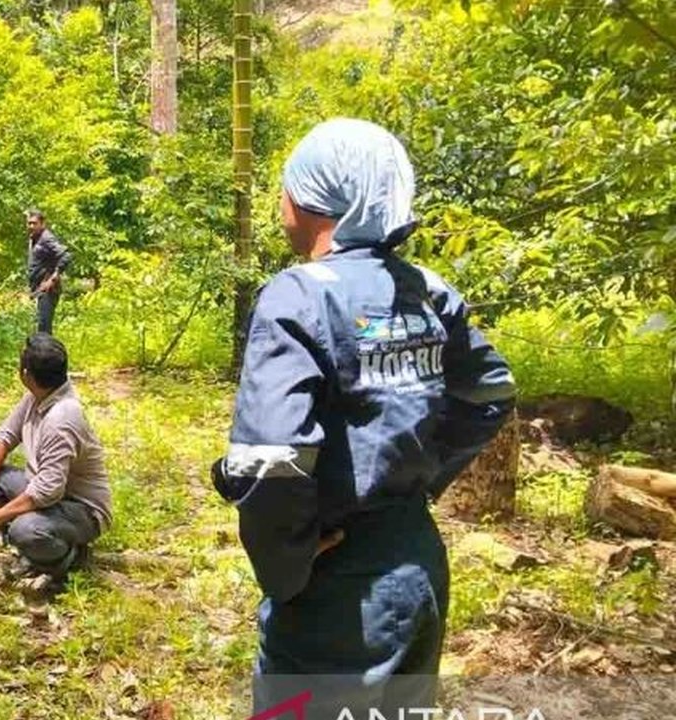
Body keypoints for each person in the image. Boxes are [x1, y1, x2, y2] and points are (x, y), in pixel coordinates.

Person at [210, 118, 515, 717]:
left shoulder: (298, 295)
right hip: (416, 564)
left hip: (335, 580)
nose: (281, 200)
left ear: (316, 199)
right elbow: (489, 393)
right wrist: (419, 477)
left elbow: (270, 458)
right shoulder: (427, 290)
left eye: (287, 186)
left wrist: (286, 568)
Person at [0, 333, 111, 596]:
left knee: (24, 530)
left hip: (81, 508)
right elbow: (5, 436)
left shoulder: (62, 418)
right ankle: (33, 545)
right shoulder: (38, 396)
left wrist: (0, 514)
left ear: (26, 374)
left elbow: (49, 491)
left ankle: (65, 557)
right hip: (43, 490)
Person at [25, 209, 71, 334]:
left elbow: (66, 256)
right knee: (42, 326)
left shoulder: (46, 238)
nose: (31, 226)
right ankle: (44, 351)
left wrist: (53, 279)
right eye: (29, 223)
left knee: (44, 328)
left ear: (42, 224)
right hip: (39, 289)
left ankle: (47, 352)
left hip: (48, 290)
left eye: (34, 223)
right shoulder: (34, 238)